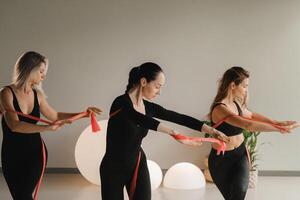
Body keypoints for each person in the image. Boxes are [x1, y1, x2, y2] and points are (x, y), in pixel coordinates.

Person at [100, 62, 229, 200]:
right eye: (157, 86)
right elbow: (139, 119)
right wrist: (174, 133)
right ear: (143, 82)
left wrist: (211, 129)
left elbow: (177, 117)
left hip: (137, 163)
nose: (159, 92)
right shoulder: (120, 103)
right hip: (113, 168)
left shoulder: (147, 107)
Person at [0, 51, 101, 200]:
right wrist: (47, 128)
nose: (43, 75)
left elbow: (56, 116)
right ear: (29, 69)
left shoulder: (37, 95)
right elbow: (14, 125)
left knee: (23, 195)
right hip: (12, 154)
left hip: (36, 153)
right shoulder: (6, 93)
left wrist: (83, 114)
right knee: (19, 196)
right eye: (41, 71)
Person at [208, 66, 298, 200]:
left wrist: (277, 122)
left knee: (240, 192)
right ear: (233, 85)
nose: (246, 90)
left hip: (240, 155)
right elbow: (247, 124)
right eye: (244, 86)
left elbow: (251, 116)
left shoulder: (236, 104)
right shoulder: (220, 109)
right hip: (221, 162)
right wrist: (278, 129)